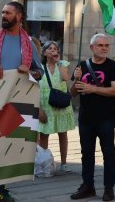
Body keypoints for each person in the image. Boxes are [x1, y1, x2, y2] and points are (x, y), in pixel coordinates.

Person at [0, 1, 43, 202]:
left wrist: (29, 71)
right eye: (3, 12)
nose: (4, 16)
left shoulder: (28, 43)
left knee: (6, 143)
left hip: (14, 104)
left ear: (19, 16)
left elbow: (40, 72)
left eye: (8, 13)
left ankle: (0, 188)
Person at [69, 33, 115, 201]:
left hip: (106, 117)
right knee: (86, 154)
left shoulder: (113, 66)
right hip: (86, 117)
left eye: (106, 45)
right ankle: (88, 186)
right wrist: (76, 79)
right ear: (92, 47)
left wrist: (93, 89)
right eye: (100, 45)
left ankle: (108, 188)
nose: (104, 48)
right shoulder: (82, 65)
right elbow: (73, 92)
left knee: (108, 153)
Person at [38, 40, 75, 173]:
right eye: (50, 48)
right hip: (45, 105)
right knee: (44, 134)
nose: (53, 50)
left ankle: (64, 163)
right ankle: (44, 162)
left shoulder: (62, 64)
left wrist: (59, 62)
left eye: (55, 48)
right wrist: (39, 109)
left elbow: (66, 78)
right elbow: (34, 88)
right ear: (44, 52)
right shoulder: (39, 68)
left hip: (61, 104)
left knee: (63, 133)